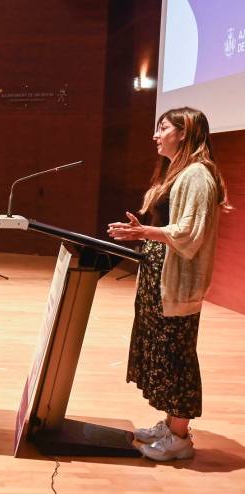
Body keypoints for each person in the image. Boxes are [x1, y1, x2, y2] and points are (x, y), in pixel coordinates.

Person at [108, 107, 232, 462]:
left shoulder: (196, 175)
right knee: (163, 351)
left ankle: (179, 436)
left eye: (162, 128)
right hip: (159, 277)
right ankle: (170, 424)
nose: (155, 135)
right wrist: (143, 234)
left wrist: (144, 232)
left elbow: (190, 234)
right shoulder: (178, 172)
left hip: (175, 283)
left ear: (184, 132)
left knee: (176, 355)